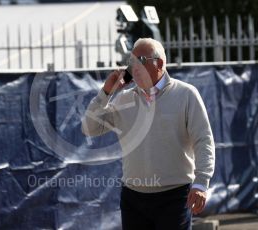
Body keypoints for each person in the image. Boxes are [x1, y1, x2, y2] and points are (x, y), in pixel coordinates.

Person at [81, 38, 215, 230]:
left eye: (141, 60)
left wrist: (201, 182)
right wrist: (106, 92)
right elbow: (89, 128)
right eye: (131, 61)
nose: (134, 67)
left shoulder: (186, 95)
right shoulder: (124, 99)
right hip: (133, 198)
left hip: (174, 196)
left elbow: (203, 140)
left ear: (159, 63)